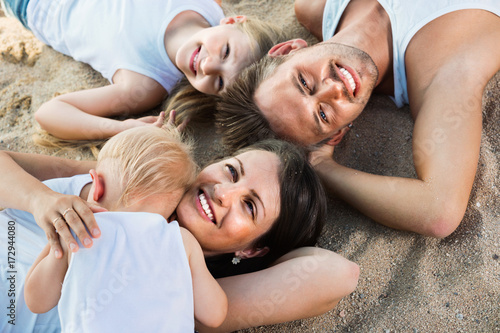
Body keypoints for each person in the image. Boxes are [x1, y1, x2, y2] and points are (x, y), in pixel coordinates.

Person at [0, 137, 359, 332]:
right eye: (231, 172)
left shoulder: (184, 280)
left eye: (250, 207)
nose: (223, 193)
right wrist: (120, 163)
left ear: (252, 250)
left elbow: (340, 275)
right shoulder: (108, 190)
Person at [216, 0, 500, 238]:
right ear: (337, 135)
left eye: (303, 81)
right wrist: (325, 168)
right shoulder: (442, 76)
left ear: (288, 49)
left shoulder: (315, 7)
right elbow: (439, 210)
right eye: (323, 114)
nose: (333, 88)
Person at [20, 125, 229, 332]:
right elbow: (214, 315)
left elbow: (37, 301)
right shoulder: (181, 240)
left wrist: (57, 241)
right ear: (170, 214)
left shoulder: (78, 229)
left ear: (96, 186)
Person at [0, 0, 285, 141]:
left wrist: (119, 129)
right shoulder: (206, 5)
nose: (209, 66)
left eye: (220, 82)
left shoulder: (145, 84)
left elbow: (49, 113)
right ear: (232, 20)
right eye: (225, 52)